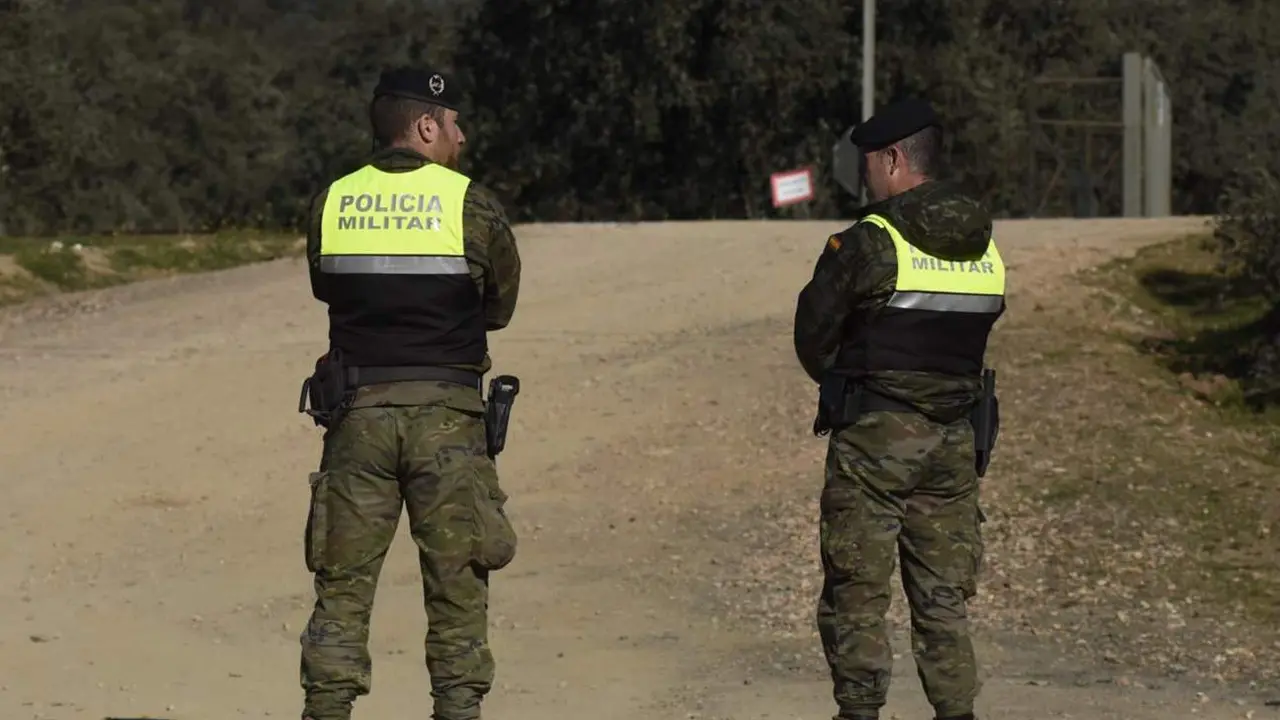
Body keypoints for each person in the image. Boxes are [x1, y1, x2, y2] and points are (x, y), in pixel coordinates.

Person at [298, 66, 522, 720]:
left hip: (357, 417)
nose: (461, 135)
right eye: (454, 123)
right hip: (448, 421)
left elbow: (325, 286)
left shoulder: (332, 201)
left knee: (341, 591)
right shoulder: (470, 205)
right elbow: (499, 305)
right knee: (456, 590)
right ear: (426, 125)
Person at [793, 97, 1007, 720]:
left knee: (857, 590)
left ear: (893, 158)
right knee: (943, 597)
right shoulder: (985, 246)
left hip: (875, 439)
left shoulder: (872, 241)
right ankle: (957, 712)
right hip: (954, 443)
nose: (864, 174)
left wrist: (847, 381)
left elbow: (814, 333)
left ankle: (859, 712)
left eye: (868, 162)